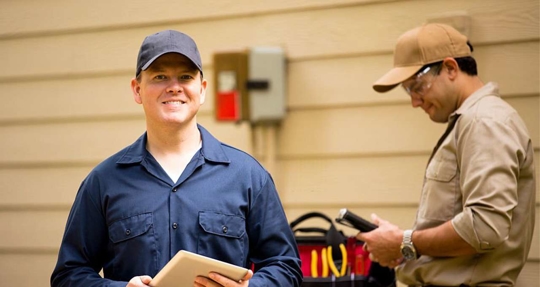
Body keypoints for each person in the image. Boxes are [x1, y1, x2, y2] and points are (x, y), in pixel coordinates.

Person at [51, 29, 302, 287]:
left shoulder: (248, 176)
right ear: (137, 90)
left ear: (202, 90)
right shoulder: (103, 182)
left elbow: (285, 266)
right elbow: (69, 275)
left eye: (185, 76)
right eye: (160, 76)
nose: (174, 87)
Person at [357, 23, 536, 287]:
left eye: (417, 86)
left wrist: (404, 242)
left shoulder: (484, 122)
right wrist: (402, 244)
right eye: (408, 91)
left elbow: (485, 226)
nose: (414, 101)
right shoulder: (470, 121)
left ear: (451, 68)